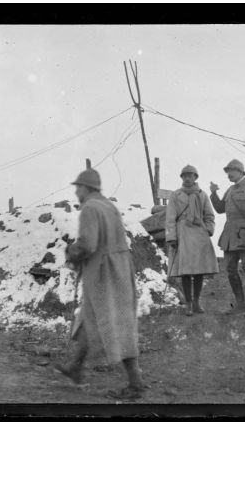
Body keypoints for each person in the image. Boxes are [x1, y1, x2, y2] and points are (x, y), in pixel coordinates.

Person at [54, 167, 145, 399]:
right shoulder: (109, 206)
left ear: (87, 188)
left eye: (78, 188)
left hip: (104, 273)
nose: (76, 193)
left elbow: (87, 245)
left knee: (116, 323)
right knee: (88, 317)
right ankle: (75, 367)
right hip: (119, 269)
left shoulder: (90, 209)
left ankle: (135, 384)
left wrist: (71, 252)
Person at [210, 159, 245, 313]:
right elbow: (220, 209)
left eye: (231, 171)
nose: (228, 174)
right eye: (227, 172)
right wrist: (214, 193)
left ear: (240, 171)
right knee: (230, 269)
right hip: (229, 236)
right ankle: (240, 304)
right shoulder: (229, 190)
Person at [166, 165, 219, 316]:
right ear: (181, 178)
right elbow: (170, 218)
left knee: (199, 271)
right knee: (186, 272)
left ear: (196, 177)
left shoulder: (202, 195)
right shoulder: (175, 195)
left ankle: (196, 301)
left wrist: (208, 229)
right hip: (182, 234)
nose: (187, 178)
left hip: (199, 235)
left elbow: (209, 216)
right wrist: (172, 237)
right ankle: (188, 303)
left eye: (191, 175)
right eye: (184, 176)